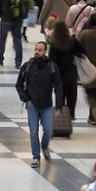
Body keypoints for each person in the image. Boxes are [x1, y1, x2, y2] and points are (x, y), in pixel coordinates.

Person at [16, 38, 58, 166]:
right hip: (32, 104)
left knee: (49, 130)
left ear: (45, 51)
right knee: (33, 131)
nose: (37, 52)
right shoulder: (27, 66)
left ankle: (44, 146)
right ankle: (36, 156)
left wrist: (60, 103)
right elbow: (18, 84)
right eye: (36, 49)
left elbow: (58, 85)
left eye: (40, 50)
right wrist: (26, 99)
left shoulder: (51, 66)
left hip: (47, 105)